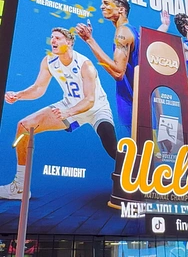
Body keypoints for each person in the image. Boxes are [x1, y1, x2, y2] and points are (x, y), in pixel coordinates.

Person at [1, 27, 118, 199]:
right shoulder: (49, 61)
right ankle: (19, 187)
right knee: (24, 126)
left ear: (69, 43)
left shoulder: (85, 64)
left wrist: (68, 112)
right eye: (52, 38)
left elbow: (90, 100)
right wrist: (19, 95)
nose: (53, 41)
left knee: (110, 144)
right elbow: (38, 88)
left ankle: (139, 175)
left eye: (58, 38)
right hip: (68, 106)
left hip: (96, 108)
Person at [76, 0, 170, 136]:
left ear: (120, 9)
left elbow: (118, 72)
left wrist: (89, 40)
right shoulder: (136, 33)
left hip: (131, 106)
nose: (102, 6)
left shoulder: (123, 32)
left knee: (134, 154)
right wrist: (164, 26)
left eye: (107, 3)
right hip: (145, 107)